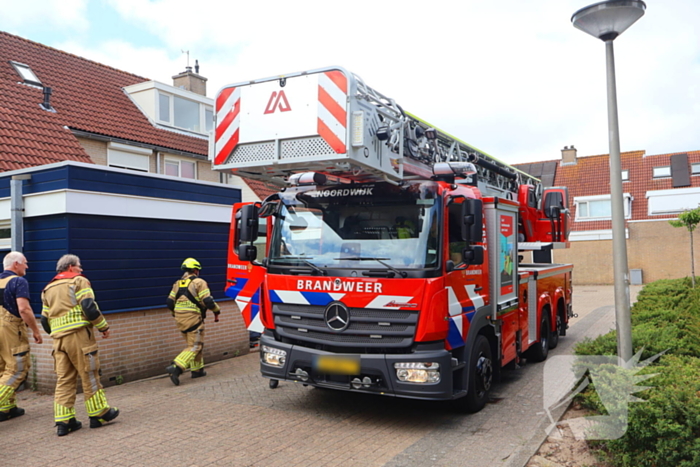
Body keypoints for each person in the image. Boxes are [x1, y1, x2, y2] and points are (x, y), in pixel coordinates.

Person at [41, 254, 119, 436]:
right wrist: (103, 327)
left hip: (58, 341)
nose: (81, 270)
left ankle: (64, 422)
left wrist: (57, 333)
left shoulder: (47, 289)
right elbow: (89, 307)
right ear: (70, 267)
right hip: (79, 337)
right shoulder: (78, 281)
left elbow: (45, 320)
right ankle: (99, 414)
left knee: (64, 379)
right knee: (89, 375)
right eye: (79, 266)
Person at [0, 251, 43, 422]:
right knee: (17, 369)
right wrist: (36, 330)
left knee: (2, 368)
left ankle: (7, 408)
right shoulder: (19, 281)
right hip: (11, 329)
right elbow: (24, 309)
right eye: (25, 262)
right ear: (16, 264)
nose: (27, 266)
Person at [165, 258, 221, 386]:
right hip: (193, 318)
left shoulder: (177, 283)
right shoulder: (199, 282)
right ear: (195, 270)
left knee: (194, 343)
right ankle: (176, 367)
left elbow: (169, 302)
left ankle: (197, 370)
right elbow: (208, 301)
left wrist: (175, 314)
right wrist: (217, 311)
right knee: (195, 346)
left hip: (179, 318)